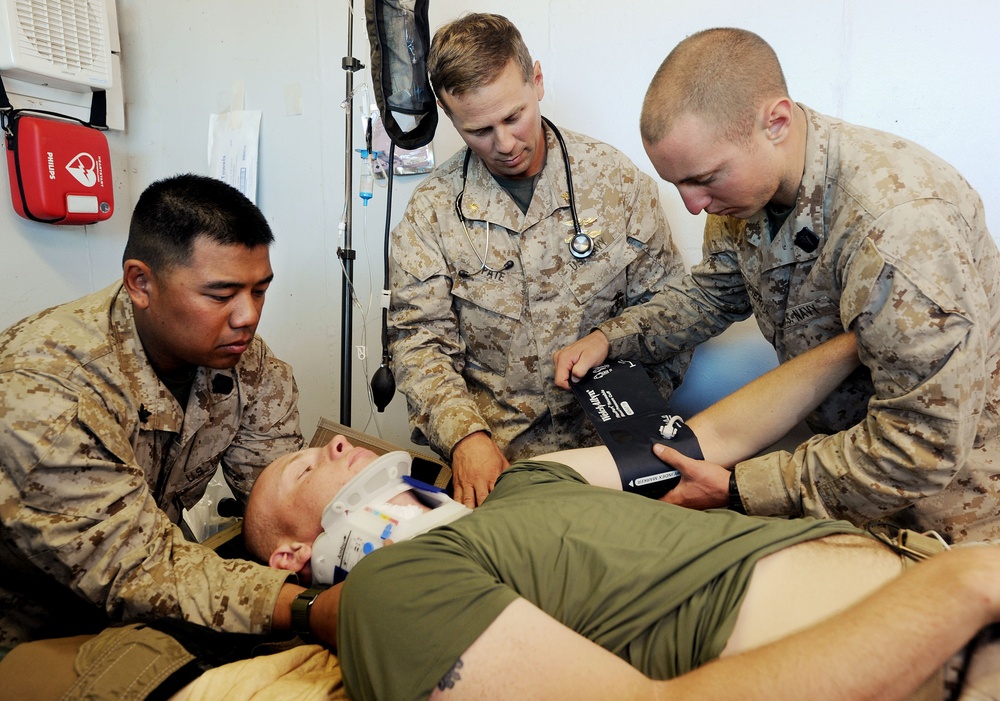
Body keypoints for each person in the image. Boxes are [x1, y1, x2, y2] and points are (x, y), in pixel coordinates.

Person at [243, 333, 1000, 701]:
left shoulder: (526, 485)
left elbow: (706, 441)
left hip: (939, 583)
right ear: (290, 554)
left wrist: (860, 339)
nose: (333, 440)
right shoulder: (396, 592)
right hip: (942, 654)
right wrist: (963, 587)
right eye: (300, 465)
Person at [553, 27, 1000, 544]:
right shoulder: (746, 194)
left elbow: (920, 446)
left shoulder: (899, 228)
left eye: (704, 178)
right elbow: (714, 291)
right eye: (678, 184)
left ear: (777, 123)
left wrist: (746, 487)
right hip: (848, 488)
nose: (693, 205)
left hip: (957, 514)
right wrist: (614, 337)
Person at [0, 173, 312, 656]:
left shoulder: (250, 366)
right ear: (141, 283)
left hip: (156, 585)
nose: (248, 315)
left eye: (260, 290)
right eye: (221, 294)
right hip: (30, 618)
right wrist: (309, 609)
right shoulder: (47, 388)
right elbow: (130, 566)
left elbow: (284, 501)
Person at [389, 13, 691, 507]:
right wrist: (465, 438)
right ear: (450, 118)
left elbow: (672, 312)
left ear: (538, 81)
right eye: (479, 130)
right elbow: (418, 346)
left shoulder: (617, 184)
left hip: (614, 457)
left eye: (513, 117)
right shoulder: (432, 213)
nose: (504, 144)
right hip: (499, 467)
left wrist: (632, 422)